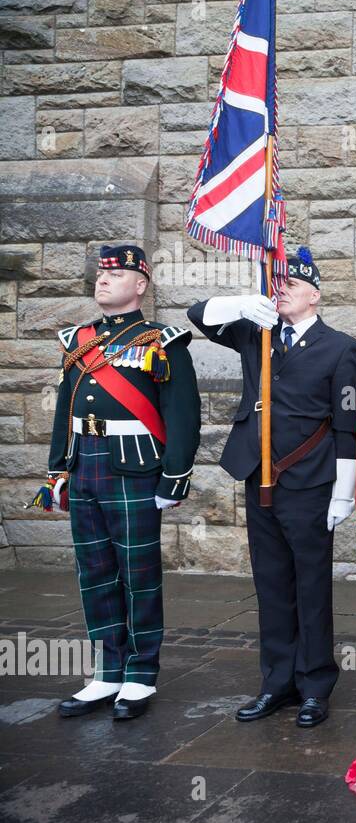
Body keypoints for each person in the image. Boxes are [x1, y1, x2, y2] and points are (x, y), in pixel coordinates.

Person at [187, 248, 356, 728]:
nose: (281, 288)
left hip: (309, 481)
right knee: (270, 585)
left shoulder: (340, 347)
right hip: (257, 477)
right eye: (277, 282)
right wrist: (244, 301)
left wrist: (344, 492)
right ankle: (276, 683)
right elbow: (197, 314)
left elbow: (347, 424)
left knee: (310, 586)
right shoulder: (255, 330)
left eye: (292, 283)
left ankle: (314, 685)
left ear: (315, 294)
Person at [36, 244, 201, 720]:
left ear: (141, 284)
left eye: (116, 274)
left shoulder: (163, 340)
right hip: (85, 464)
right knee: (95, 573)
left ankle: (140, 676)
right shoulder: (79, 339)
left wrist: (174, 477)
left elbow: (182, 416)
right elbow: (66, 412)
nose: (102, 280)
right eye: (100, 274)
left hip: (133, 467)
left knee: (139, 575)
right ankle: (106, 674)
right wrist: (58, 470)